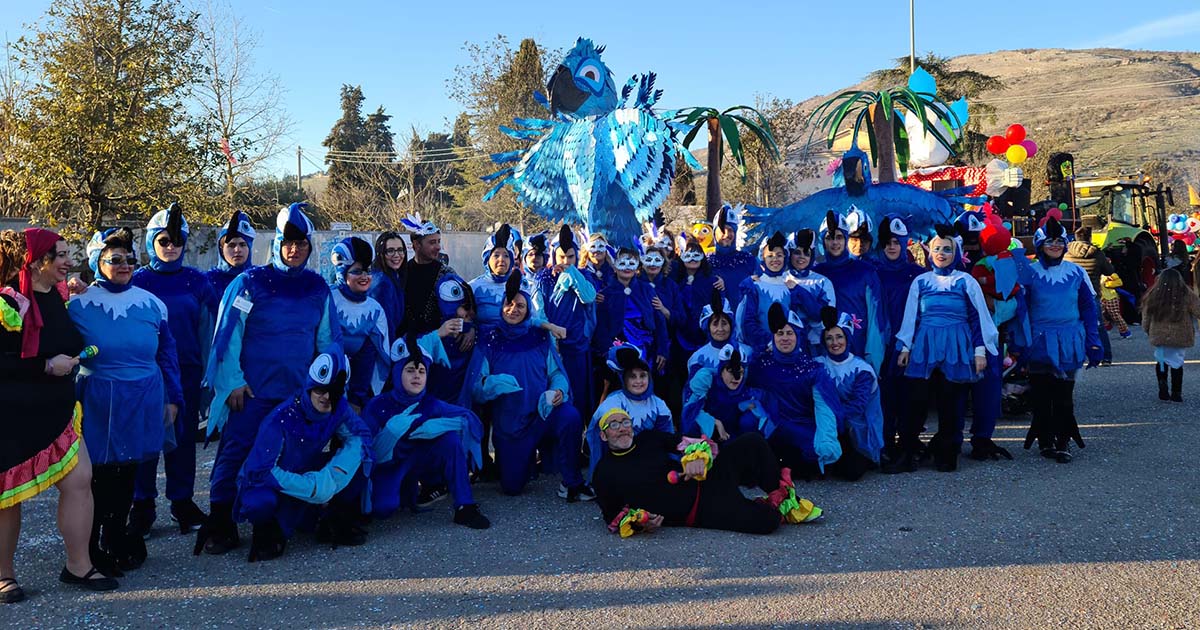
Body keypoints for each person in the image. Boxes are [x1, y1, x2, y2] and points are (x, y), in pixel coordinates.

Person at [201, 203, 341, 555]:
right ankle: (221, 520)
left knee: (290, 457)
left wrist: (324, 387)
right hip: (251, 393)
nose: (294, 250)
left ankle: (273, 521)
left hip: (297, 396)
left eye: (301, 243)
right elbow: (228, 336)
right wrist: (232, 381)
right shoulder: (249, 283)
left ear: (309, 246)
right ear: (277, 243)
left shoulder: (318, 288)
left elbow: (327, 343)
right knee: (236, 453)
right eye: (288, 243)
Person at [1, 229, 118, 602]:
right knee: (6, 497)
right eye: (62, 255)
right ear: (38, 262)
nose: (70, 262)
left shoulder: (59, 295)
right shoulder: (7, 302)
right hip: (11, 416)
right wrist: (46, 366)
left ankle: (78, 565)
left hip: (58, 410)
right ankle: (3, 575)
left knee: (79, 479)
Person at [70, 228, 183, 574]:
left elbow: (167, 354)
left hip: (143, 398)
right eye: (115, 259)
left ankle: (116, 536)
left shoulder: (152, 304)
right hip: (98, 400)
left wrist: (173, 398)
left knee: (127, 472)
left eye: (130, 259)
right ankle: (89, 547)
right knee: (97, 475)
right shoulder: (77, 303)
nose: (124, 265)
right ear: (97, 262)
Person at [229, 349, 372, 562]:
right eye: (320, 390)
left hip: (307, 472)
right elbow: (260, 471)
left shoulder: (339, 408)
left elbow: (360, 437)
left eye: (333, 392)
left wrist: (333, 477)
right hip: (270, 482)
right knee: (259, 503)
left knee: (361, 463)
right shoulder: (280, 418)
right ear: (310, 386)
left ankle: (329, 517)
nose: (327, 397)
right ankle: (268, 527)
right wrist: (312, 487)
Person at [129, 203, 217, 538]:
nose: (171, 246)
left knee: (183, 440)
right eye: (164, 240)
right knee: (145, 439)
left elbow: (208, 332)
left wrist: (210, 376)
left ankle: (182, 502)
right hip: (146, 375)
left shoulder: (198, 281)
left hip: (188, 372)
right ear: (152, 241)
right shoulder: (136, 281)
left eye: (177, 240)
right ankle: (142, 506)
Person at [592, 409, 822, 536]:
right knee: (767, 521)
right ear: (603, 435)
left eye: (626, 422)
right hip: (701, 510)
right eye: (614, 425)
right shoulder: (603, 473)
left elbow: (688, 443)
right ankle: (762, 507)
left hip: (707, 477)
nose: (622, 428)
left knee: (752, 442)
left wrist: (697, 457)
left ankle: (786, 501)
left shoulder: (648, 437)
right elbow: (614, 517)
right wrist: (642, 523)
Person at [461, 273, 590, 500]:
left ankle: (572, 482)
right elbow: (476, 388)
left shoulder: (539, 337)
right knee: (512, 487)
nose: (514, 309)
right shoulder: (489, 340)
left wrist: (559, 390)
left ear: (528, 308)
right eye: (509, 304)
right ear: (501, 307)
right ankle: (525, 461)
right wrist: (494, 383)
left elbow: (556, 373)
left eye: (520, 305)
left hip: (543, 414)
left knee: (570, 416)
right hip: (511, 427)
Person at [891, 225, 998, 473]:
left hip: (956, 347)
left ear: (956, 253)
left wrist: (979, 351)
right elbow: (912, 316)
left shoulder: (966, 281)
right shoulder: (921, 281)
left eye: (947, 249)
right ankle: (908, 451)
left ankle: (947, 453)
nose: (941, 253)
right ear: (930, 253)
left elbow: (977, 318)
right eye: (937, 248)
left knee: (951, 402)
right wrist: (905, 346)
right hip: (925, 346)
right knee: (916, 402)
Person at [361, 335, 490, 529]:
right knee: (382, 509)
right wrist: (388, 436)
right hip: (390, 465)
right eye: (410, 370)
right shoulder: (377, 405)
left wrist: (452, 426)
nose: (417, 376)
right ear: (397, 372)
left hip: (422, 462)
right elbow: (362, 449)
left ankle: (465, 505)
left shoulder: (430, 403)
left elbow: (469, 418)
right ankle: (398, 491)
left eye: (422, 371)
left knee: (450, 440)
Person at [1020, 217, 1102, 464]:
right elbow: (1020, 311)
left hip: (1069, 341)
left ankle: (1063, 440)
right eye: (1049, 241)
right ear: (1040, 244)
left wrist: (1094, 341)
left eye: (1058, 241)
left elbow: (1088, 308)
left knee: (1064, 397)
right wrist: (1019, 342)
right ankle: (1045, 439)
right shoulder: (1029, 273)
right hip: (1039, 342)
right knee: (1041, 395)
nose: (1054, 245)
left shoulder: (1076, 272)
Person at [748, 303, 842, 478]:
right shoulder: (761, 364)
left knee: (814, 453)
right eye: (780, 333)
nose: (785, 338)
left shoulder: (812, 369)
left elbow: (824, 407)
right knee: (748, 423)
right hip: (772, 424)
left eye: (789, 333)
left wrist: (826, 440)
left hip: (802, 425)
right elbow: (744, 388)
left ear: (798, 336)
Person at [531, 226, 597, 422]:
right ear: (553, 256)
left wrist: (573, 274)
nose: (566, 261)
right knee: (556, 393)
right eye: (561, 257)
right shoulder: (543, 278)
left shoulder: (584, 275)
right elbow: (538, 311)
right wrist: (551, 339)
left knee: (579, 394)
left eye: (570, 257)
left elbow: (588, 297)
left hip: (577, 344)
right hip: (553, 346)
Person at [870, 216, 923, 458]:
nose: (891, 247)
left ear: (904, 243)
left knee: (910, 396)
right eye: (886, 243)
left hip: (909, 344)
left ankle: (909, 443)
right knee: (885, 397)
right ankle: (887, 442)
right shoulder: (874, 272)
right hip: (882, 344)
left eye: (896, 242)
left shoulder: (917, 274)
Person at [814, 210, 888, 373]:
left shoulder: (866, 272)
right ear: (823, 241)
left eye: (839, 237)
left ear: (845, 239)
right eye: (829, 237)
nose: (835, 242)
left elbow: (876, 320)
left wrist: (873, 359)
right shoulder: (815, 275)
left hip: (859, 352)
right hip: (823, 355)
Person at [814, 307, 883, 481]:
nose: (834, 342)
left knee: (851, 472)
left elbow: (857, 406)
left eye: (839, 337)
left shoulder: (862, 369)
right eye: (829, 338)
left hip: (855, 429)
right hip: (827, 426)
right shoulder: (818, 364)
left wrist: (832, 419)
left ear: (847, 338)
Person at [586, 344, 675, 477]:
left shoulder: (658, 404)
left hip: (649, 459)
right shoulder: (612, 403)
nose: (638, 381)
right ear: (624, 379)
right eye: (632, 376)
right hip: (619, 461)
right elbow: (601, 443)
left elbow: (667, 437)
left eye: (643, 376)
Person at [329, 237, 390, 409]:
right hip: (327, 378)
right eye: (357, 271)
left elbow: (378, 353)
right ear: (342, 273)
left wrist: (359, 396)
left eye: (367, 271)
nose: (364, 276)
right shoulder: (328, 298)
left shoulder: (374, 309)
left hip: (359, 382)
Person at [593, 245, 669, 382]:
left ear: (637, 267)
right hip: (618, 349)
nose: (627, 267)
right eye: (622, 263)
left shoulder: (647, 290)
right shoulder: (605, 295)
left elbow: (659, 321)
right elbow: (601, 327)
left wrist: (662, 350)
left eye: (631, 263)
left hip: (647, 348)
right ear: (615, 267)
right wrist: (608, 352)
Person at [681, 345, 769, 441]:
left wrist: (742, 407)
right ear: (721, 370)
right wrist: (715, 423)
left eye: (740, 372)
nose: (736, 378)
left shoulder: (746, 388)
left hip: (732, 437)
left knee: (749, 420)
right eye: (731, 371)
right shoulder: (706, 379)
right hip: (703, 438)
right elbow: (689, 412)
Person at [1141, 268, 1200, 402]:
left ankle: (1162, 386)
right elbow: (1198, 311)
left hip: (1159, 335)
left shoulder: (1153, 295)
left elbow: (1146, 317)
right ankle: (1176, 392)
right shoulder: (1186, 294)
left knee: (1161, 360)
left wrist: (1147, 329)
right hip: (1180, 334)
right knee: (1177, 362)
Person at [736, 232, 799, 352]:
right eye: (770, 256)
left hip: (786, 349)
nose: (775, 259)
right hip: (762, 349)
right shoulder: (754, 287)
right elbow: (747, 322)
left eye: (779, 255)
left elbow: (795, 321)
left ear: (785, 257)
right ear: (763, 259)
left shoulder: (789, 288)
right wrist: (768, 341)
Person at [1064, 226, 1116, 364]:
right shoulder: (1097, 253)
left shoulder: (1066, 254)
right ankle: (1105, 356)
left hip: (1071, 294)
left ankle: (1074, 355)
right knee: (1098, 325)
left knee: (1072, 324)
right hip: (1092, 294)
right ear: (1090, 237)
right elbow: (1109, 271)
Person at [401, 213, 457, 337]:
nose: (438, 247)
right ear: (416, 245)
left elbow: (463, 307)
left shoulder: (447, 274)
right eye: (432, 242)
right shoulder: (402, 273)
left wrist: (469, 328)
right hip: (408, 342)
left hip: (440, 342)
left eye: (438, 241)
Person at [787, 229, 836, 356]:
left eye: (806, 253)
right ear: (789, 254)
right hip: (787, 346)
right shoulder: (780, 280)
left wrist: (798, 291)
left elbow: (823, 317)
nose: (802, 257)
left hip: (816, 348)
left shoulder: (823, 282)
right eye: (797, 252)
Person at [688, 289, 752, 375]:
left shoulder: (748, 353)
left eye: (724, 323)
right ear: (708, 328)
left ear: (731, 325)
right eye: (715, 324)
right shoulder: (697, 358)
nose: (720, 329)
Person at [707, 204, 756, 310]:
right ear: (714, 233)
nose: (727, 234)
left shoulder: (748, 260)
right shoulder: (706, 263)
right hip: (718, 319)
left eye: (730, 230)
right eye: (722, 230)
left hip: (745, 318)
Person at [205, 210, 256, 300]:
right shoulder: (207, 282)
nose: (237, 250)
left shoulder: (259, 280)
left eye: (242, 245)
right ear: (221, 249)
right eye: (231, 245)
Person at [369, 231, 408, 338]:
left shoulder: (393, 276)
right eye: (390, 251)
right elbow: (385, 326)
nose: (397, 255)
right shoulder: (382, 283)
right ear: (381, 253)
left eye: (400, 250)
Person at [1099, 273, 1131, 340]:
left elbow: (1119, 282)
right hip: (1102, 297)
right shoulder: (1097, 274)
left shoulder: (1111, 273)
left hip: (1112, 296)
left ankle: (1125, 331)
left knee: (1115, 315)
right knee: (1100, 313)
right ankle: (1107, 326)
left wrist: (1108, 284)